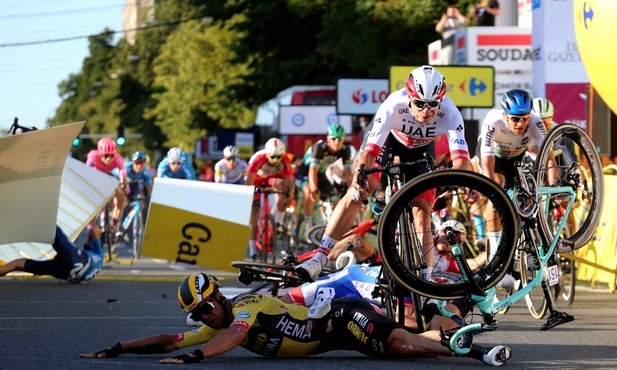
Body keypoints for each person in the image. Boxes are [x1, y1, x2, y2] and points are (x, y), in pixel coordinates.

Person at [80, 272, 511, 366]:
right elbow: (169, 339)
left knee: (402, 345)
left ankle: (479, 351)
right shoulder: (214, 324)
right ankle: (455, 321)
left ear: (217, 296)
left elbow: (230, 337)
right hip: (334, 341)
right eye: (198, 313)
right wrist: (115, 349)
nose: (204, 316)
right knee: (409, 345)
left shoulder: (244, 307)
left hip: (341, 319)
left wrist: (197, 360)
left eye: (206, 306)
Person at [296, 65, 471, 282]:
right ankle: (320, 257)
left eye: (433, 104)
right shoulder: (392, 105)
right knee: (358, 192)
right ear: (409, 96)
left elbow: (463, 162)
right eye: (419, 103)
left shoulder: (452, 113)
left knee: (422, 210)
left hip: (420, 149)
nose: (426, 111)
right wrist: (361, 178)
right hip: (388, 140)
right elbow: (369, 153)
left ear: (441, 100)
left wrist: (451, 179)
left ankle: (426, 281)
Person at [477, 89, 556, 260]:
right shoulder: (493, 121)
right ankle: (493, 252)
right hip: (494, 158)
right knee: (496, 191)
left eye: (524, 119)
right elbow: (487, 166)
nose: (520, 124)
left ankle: (522, 239)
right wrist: (492, 192)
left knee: (527, 193)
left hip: (516, 157)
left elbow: (549, 158)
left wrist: (553, 187)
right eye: (515, 119)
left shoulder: (535, 122)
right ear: (505, 115)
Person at [294, 123, 353, 235]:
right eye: (334, 138)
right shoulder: (320, 147)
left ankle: (330, 227)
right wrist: (314, 188)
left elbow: (348, 173)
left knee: (335, 199)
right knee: (309, 192)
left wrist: (351, 189)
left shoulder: (345, 150)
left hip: (320, 175)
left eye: (340, 139)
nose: (337, 142)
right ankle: (308, 225)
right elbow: (312, 170)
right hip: (305, 173)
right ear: (328, 138)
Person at [245, 138, 295, 260]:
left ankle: (275, 221)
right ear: (266, 154)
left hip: (273, 180)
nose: (275, 160)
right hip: (257, 181)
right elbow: (249, 181)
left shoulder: (286, 159)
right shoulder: (258, 158)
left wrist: (289, 197)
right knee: (254, 213)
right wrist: (249, 197)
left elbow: (290, 182)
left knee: (284, 187)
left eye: (279, 157)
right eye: (272, 157)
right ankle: (252, 249)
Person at [0, 225, 104, 283]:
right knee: (17, 265)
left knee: (53, 229)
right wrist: (90, 238)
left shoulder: (100, 255)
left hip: (77, 260)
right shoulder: (95, 263)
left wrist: (94, 232)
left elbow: (95, 230)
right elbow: (88, 245)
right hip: (66, 273)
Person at [86, 137, 128, 224]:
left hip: (110, 175)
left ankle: (116, 220)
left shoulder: (118, 158)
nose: (109, 159)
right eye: (106, 155)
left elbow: (122, 172)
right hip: (96, 175)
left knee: (122, 193)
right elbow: (86, 171)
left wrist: (123, 181)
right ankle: (90, 222)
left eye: (111, 155)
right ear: (100, 153)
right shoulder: (93, 156)